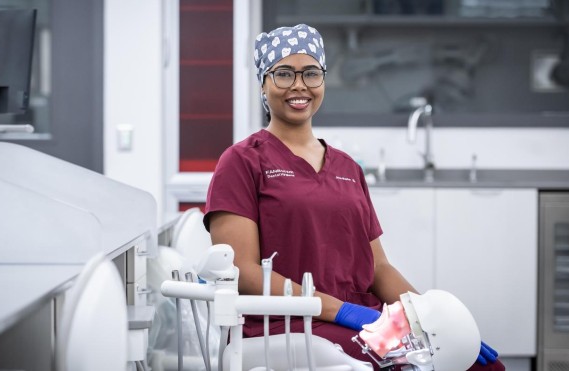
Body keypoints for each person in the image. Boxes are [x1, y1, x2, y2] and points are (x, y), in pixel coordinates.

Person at [203, 23, 503, 370]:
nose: (299, 85)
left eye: (311, 73)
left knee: (479, 366)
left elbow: (378, 267)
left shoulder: (347, 168)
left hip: (364, 322)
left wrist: (432, 320)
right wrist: (340, 310)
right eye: (283, 73)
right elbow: (242, 270)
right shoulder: (241, 161)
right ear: (264, 83)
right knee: (413, 364)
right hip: (289, 324)